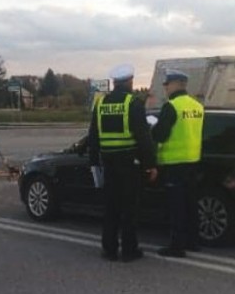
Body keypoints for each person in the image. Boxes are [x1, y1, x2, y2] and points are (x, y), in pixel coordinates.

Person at [88, 64, 158, 262]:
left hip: (108, 164)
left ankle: (109, 249)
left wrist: (94, 162)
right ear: (129, 82)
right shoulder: (132, 103)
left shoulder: (101, 104)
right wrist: (150, 164)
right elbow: (144, 137)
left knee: (110, 208)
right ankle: (129, 250)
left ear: (114, 82)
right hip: (129, 164)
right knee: (129, 208)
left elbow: (93, 135)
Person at [151, 69, 205, 258]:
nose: (165, 87)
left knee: (176, 207)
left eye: (167, 84)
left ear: (175, 85)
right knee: (191, 204)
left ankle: (176, 246)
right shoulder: (197, 106)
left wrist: (152, 130)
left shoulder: (171, 106)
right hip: (193, 161)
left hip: (174, 163)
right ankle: (193, 242)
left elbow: (160, 135)